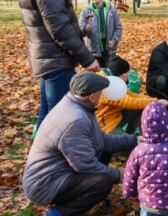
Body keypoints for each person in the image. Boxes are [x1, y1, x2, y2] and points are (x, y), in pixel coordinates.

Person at [23, 72, 138, 216]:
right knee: (103, 182)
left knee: (103, 155)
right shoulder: (76, 120)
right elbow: (85, 164)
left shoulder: (75, 104)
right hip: (45, 184)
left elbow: (102, 140)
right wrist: (118, 174)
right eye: (101, 93)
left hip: (55, 173)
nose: (103, 96)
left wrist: (135, 141)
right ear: (92, 97)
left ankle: (75, 198)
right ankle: (55, 214)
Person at [19, 0, 100, 135]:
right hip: (57, 61)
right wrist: (88, 59)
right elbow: (60, 30)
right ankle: (52, 162)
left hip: (47, 59)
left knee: (47, 114)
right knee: (59, 119)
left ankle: (38, 157)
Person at [123, 102, 168, 216]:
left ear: (143, 125)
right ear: (167, 124)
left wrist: (128, 192)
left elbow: (130, 175)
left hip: (147, 202)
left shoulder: (138, 151)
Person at [96, 56, 168, 135]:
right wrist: (155, 101)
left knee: (141, 106)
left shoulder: (113, 81)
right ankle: (129, 140)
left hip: (115, 118)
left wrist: (155, 100)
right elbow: (128, 101)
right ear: (121, 74)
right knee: (128, 142)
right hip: (105, 126)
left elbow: (133, 95)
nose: (128, 75)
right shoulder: (107, 88)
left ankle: (131, 134)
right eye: (127, 72)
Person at [79, 0, 123, 67]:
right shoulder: (86, 11)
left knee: (110, 74)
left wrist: (114, 40)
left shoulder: (111, 10)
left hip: (109, 50)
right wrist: (86, 29)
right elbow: (80, 29)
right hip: (94, 51)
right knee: (99, 76)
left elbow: (118, 27)